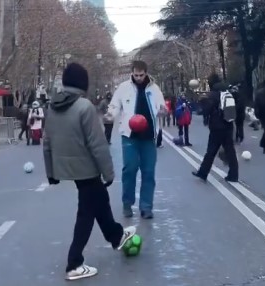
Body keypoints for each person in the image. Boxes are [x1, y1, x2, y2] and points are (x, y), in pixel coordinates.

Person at [43, 62, 136, 281]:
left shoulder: (52, 107)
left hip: (67, 167)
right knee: (86, 212)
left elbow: (47, 142)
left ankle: (116, 236)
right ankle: (74, 263)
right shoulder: (84, 107)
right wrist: (109, 172)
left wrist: (51, 172)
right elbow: (98, 144)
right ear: (83, 83)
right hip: (87, 167)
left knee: (99, 200)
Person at [105, 60, 166, 219]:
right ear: (132, 73)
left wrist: (163, 111)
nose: (138, 77)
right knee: (129, 169)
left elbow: (161, 107)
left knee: (148, 172)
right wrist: (110, 114)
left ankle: (146, 207)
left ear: (146, 73)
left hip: (149, 136)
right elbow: (115, 105)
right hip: (129, 135)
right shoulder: (124, 87)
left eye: (141, 75)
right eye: (135, 75)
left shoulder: (154, 88)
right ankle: (127, 203)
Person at [192, 74, 238, 182]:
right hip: (228, 124)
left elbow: (206, 110)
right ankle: (234, 175)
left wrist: (202, 104)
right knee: (230, 151)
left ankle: (203, 172)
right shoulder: (227, 92)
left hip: (216, 127)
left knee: (211, 151)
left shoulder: (212, 95)